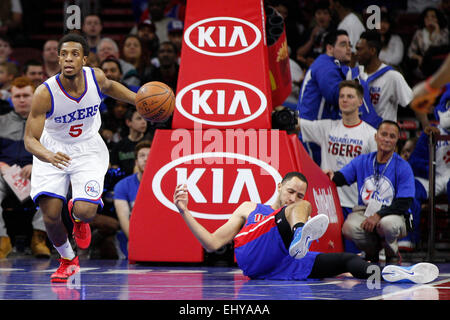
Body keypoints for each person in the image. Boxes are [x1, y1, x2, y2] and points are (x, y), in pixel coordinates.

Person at [173, 171, 438, 283]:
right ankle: (300, 234)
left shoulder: (293, 209)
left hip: (283, 263)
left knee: (347, 260)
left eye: (300, 195)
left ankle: (392, 274)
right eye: (290, 191)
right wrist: (185, 211)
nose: (294, 197)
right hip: (253, 250)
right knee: (297, 211)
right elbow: (212, 243)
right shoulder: (250, 207)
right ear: (279, 187)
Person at [23, 33, 137, 282]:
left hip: (87, 148)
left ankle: (78, 215)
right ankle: (67, 260)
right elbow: (30, 139)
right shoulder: (45, 92)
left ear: (84, 59)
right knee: (51, 216)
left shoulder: (94, 77)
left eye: (75, 54)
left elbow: (110, 86)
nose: (68, 59)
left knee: (86, 211)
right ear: (58, 58)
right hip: (53, 149)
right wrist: (48, 155)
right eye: (64, 54)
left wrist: (137, 100)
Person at [323, 120, 415, 264]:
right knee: (348, 228)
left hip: (395, 214)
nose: (387, 139)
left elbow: (404, 203)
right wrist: (331, 175)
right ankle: (372, 252)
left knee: (387, 224)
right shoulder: (363, 160)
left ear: (397, 140)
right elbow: (341, 178)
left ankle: (392, 254)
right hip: (366, 211)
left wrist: (378, 215)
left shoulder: (403, 167)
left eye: (392, 136)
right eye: (383, 134)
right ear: (376, 136)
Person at [298, 80, 377, 227]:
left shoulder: (371, 135)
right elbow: (297, 124)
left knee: (351, 250)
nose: (345, 100)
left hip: (355, 204)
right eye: (341, 96)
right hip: (327, 201)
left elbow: (377, 174)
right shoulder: (327, 127)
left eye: (350, 96)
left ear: (360, 101)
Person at [0, 77, 51, 259]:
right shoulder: (1, 122)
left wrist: (36, 164)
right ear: (11, 98)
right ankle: (2, 240)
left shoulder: (48, 122)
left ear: (34, 96)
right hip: (4, 174)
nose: (22, 100)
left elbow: (55, 153)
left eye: (26, 95)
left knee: (53, 183)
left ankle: (39, 238)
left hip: (38, 171)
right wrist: (1, 165)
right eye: (17, 96)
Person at [296, 29, 351, 165]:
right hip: (312, 135)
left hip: (316, 132)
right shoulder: (326, 66)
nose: (349, 49)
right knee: (314, 180)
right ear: (330, 48)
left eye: (350, 44)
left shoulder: (331, 65)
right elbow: (336, 96)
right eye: (343, 45)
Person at [355, 31, 423, 127]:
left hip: (382, 135)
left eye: (360, 49)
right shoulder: (355, 75)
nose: (356, 53)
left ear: (372, 51)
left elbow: (414, 102)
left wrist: (426, 126)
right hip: (360, 134)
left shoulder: (392, 76)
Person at [113, 140, 151, 256]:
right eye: (142, 156)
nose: (145, 159)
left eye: (150, 155)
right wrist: (136, 242)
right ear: (136, 162)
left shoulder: (165, 184)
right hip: (133, 238)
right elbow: (123, 218)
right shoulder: (122, 186)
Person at [407, 7, 449, 80]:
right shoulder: (419, 33)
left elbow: (439, 49)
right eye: (427, 17)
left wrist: (437, 31)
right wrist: (419, 57)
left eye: (433, 16)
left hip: (440, 64)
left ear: (438, 19)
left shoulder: (444, 32)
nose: (429, 19)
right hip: (424, 64)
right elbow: (410, 52)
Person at [110, 106, 149, 176]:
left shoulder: (151, 143)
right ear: (128, 122)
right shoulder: (119, 146)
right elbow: (114, 167)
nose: (144, 122)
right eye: (139, 118)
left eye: (145, 119)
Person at [296, 0, 336, 69]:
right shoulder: (309, 31)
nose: (321, 16)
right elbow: (299, 53)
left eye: (325, 13)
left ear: (330, 17)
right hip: (309, 67)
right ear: (315, 16)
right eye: (318, 13)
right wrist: (311, 39)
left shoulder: (334, 32)